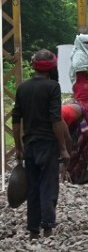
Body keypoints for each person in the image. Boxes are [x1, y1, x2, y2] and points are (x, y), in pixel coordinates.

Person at [11, 50, 71, 238]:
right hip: (47, 144)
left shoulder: (23, 88)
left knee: (33, 186)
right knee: (48, 184)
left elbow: (15, 120)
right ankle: (47, 227)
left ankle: (33, 229)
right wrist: (63, 147)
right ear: (52, 67)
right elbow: (55, 119)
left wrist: (18, 148)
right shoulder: (53, 87)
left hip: (29, 143)